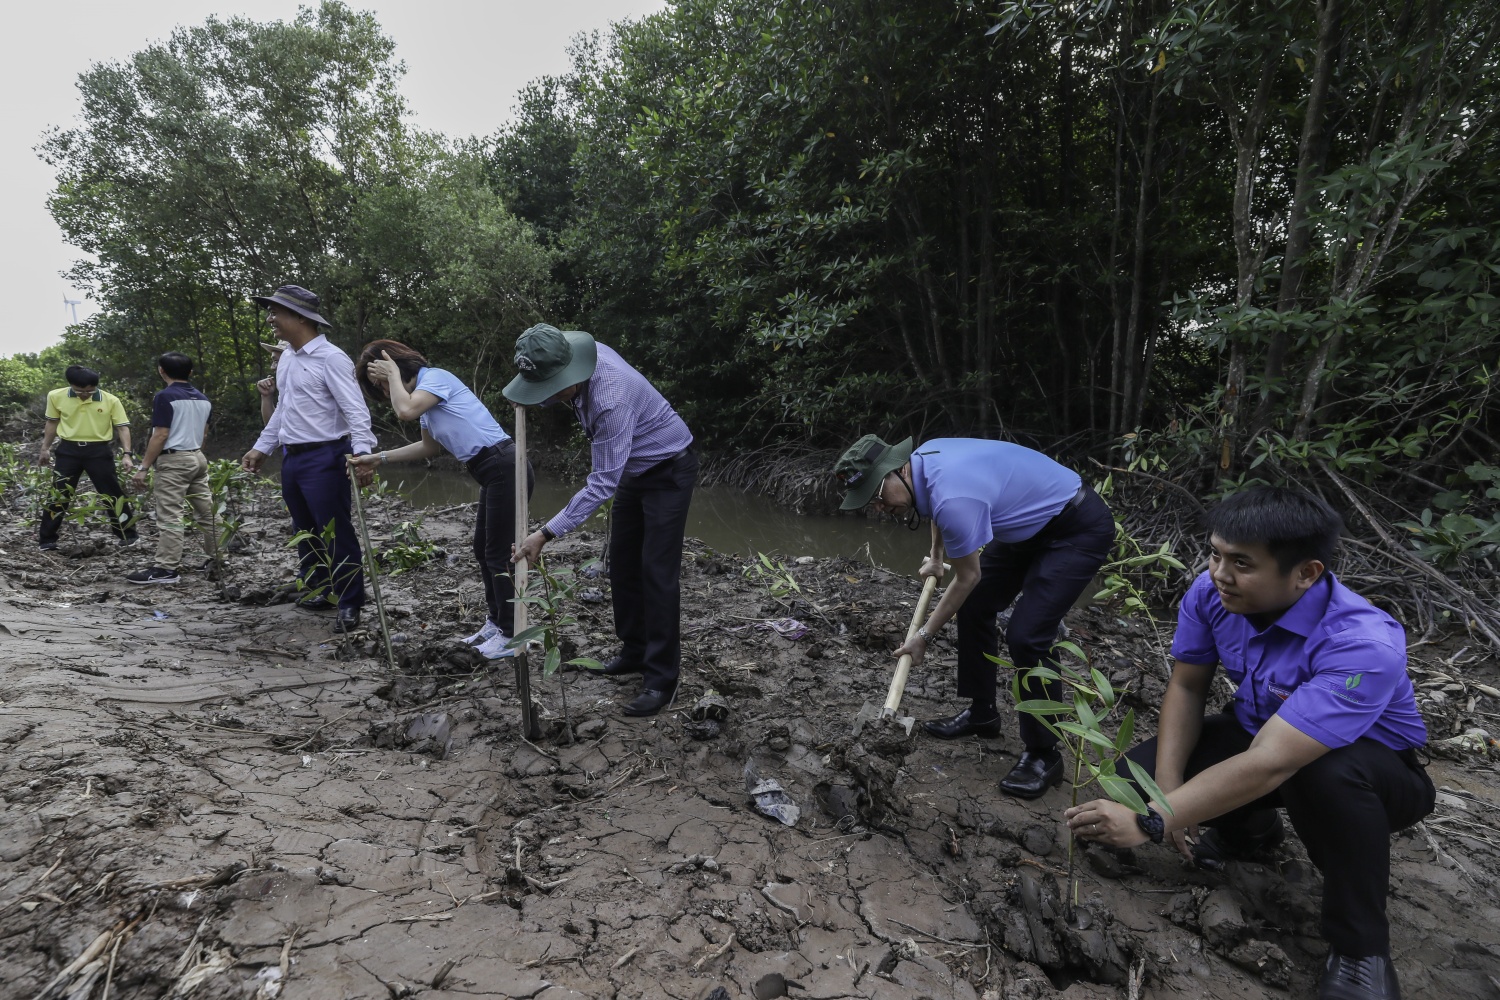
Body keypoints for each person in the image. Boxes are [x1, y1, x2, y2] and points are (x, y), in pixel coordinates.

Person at [1062, 487, 1432, 1000]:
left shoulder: (1361, 644)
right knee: (1131, 780)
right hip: (1262, 735)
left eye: (1241, 563)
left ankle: (1360, 950)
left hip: (1369, 772)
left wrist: (1153, 820)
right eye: (1215, 554)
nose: (1219, 573)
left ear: (1306, 573)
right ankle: (1251, 833)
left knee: (1322, 773)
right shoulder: (1211, 595)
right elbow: (1187, 687)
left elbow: (1271, 763)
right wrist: (1165, 790)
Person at [834, 434, 1113, 798]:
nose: (878, 506)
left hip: (1076, 526)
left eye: (877, 494)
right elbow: (935, 508)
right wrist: (936, 556)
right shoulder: (924, 464)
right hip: (1025, 524)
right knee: (975, 605)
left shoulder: (953, 496)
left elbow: (967, 576)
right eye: (870, 501)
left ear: (898, 471)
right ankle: (983, 713)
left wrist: (923, 637)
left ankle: (1044, 754)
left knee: (1027, 636)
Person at [506, 324, 697, 718]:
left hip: (667, 471)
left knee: (656, 573)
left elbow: (601, 485)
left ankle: (661, 679)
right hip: (633, 470)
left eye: (551, 390)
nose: (546, 398)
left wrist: (545, 533)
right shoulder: (563, 349)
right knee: (622, 564)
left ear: (571, 377)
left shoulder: (611, 399)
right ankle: (635, 650)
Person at [351, 340, 534, 660]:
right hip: (491, 471)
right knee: (484, 550)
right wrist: (379, 458)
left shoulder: (435, 378)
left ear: (395, 366)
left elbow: (404, 411)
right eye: (379, 386)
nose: (384, 390)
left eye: (381, 382)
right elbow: (429, 447)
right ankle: (496, 623)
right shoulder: (424, 395)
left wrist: (391, 374)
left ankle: (512, 634)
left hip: (504, 465)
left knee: (497, 554)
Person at [239, 285, 377, 632]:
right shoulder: (287, 357)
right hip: (293, 458)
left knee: (335, 531)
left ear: (300, 317)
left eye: (276, 313)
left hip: (326, 456)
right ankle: (322, 589)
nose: (270, 319)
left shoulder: (331, 358)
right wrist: (262, 447)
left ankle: (349, 602)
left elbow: (355, 410)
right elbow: (284, 410)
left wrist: (363, 455)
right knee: (304, 529)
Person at [125, 352, 216, 584]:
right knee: (207, 513)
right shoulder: (203, 398)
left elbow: (161, 434)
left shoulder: (165, 396)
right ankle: (217, 559)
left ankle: (166, 568)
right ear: (191, 372)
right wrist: (194, 453)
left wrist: (144, 467)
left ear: (161, 371)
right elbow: (204, 433)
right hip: (197, 457)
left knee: (170, 514)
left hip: (175, 461)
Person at [37, 365, 138, 550]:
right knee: (58, 493)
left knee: (112, 493)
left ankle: (128, 535)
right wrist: (45, 448)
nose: (85, 395)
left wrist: (127, 454)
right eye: (79, 391)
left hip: (98, 451)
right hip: (68, 450)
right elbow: (52, 422)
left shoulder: (111, 400)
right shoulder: (55, 396)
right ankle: (47, 540)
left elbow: (122, 427)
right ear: (70, 385)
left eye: (90, 391)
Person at [256, 339, 288, 424]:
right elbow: (274, 426)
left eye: (276, 361)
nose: (272, 367)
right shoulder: (285, 389)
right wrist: (266, 396)